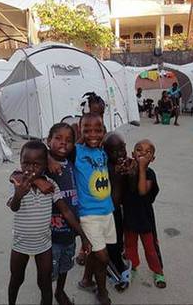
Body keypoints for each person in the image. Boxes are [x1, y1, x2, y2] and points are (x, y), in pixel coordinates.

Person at [7, 141, 72, 305]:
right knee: (16, 278)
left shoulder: (51, 186)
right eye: (26, 163)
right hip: (20, 244)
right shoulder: (17, 182)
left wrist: (84, 236)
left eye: (36, 164)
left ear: (46, 164)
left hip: (44, 245)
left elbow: (65, 210)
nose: (30, 168)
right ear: (20, 161)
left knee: (44, 283)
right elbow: (14, 207)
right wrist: (18, 195)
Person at [46, 123, 92, 305]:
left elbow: (80, 142)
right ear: (48, 141)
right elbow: (30, 151)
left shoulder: (72, 164)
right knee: (49, 270)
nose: (63, 143)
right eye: (58, 138)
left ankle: (60, 292)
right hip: (51, 235)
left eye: (68, 140)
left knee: (65, 267)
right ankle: (47, 295)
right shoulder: (44, 165)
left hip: (70, 233)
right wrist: (48, 158)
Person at [74, 113, 115, 305]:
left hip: (107, 211)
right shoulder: (76, 151)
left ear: (104, 131)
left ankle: (86, 280)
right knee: (103, 257)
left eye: (98, 130)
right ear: (80, 130)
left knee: (94, 251)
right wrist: (51, 160)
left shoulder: (103, 152)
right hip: (89, 215)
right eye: (87, 130)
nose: (93, 134)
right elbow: (53, 152)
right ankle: (102, 291)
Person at [123, 139, 166, 289]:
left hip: (145, 218)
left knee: (151, 248)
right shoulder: (127, 170)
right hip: (129, 217)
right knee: (130, 246)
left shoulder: (150, 174)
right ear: (133, 154)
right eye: (139, 150)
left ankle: (158, 271)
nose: (143, 153)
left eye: (148, 152)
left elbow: (142, 191)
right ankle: (132, 267)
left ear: (152, 159)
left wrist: (141, 168)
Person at [102, 132, 137, 292]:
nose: (120, 153)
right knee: (108, 243)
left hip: (117, 211)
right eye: (114, 151)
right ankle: (114, 267)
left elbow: (133, 189)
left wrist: (130, 174)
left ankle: (117, 262)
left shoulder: (127, 165)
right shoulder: (105, 167)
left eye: (122, 148)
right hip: (105, 212)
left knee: (117, 240)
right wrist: (116, 172)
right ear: (106, 152)